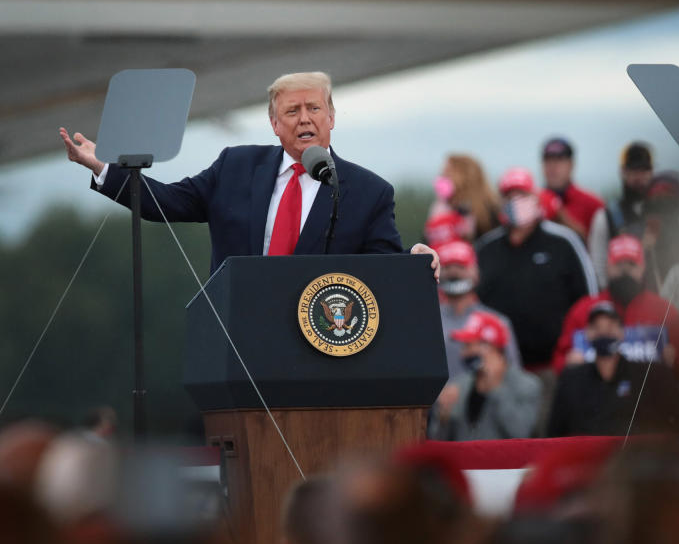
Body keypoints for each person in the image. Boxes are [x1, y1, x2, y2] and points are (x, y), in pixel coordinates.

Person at [60, 71, 439, 277]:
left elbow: (382, 269)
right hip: (238, 340)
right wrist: (103, 168)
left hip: (323, 349)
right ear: (275, 123)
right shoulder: (236, 167)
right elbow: (167, 203)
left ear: (332, 117)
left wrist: (414, 260)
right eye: (292, 111)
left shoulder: (369, 191)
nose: (304, 118)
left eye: (314, 108)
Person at [475, 166, 597, 375]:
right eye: (509, 196)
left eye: (521, 194)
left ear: (535, 197)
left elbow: (588, 300)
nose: (515, 201)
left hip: (551, 366)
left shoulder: (563, 242)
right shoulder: (486, 248)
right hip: (498, 369)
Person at [552, 235, 679, 379]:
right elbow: (559, 360)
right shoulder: (583, 310)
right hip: (597, 396)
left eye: (632, 265)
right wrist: (569, 364)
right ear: (608, 267)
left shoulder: (664, 310)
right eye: (618, 265)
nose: (625, 272)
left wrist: (675, 359)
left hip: (649, 397)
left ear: (642, 268)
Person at [547, 301, 679, 437]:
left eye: (611, 325)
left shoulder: (651, 374)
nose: (604, 332)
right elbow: (553, 434)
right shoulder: (571, 380)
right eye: (597, 327)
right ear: (587, 334)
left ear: (622, 332)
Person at [430, 311, 541, 441]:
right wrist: (443, 418)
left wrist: (496, 388)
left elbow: (521, 433)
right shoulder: (459, 385)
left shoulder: (526, 384)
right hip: (464, 460)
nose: (463, 353)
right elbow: (438, 441)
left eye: (468, 346)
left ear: (490, 347)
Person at [435, 239, 521, 382]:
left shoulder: (497, 322)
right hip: (436, 402)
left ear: (476, 271)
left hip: (484, 401)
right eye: (447, 267)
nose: (454, 273)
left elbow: (514, 374)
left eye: (461, 267)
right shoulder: (426, 321)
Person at [588, 142, 654, 288]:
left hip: (659, 302)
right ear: (623, 172)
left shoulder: (664, 213)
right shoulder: (606, 216)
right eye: (634, 170)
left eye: (644, 170)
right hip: (620, 299)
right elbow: (598, 265)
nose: (639, 176)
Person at [539, 137, 606, 242]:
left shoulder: (593, 204)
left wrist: (561, 218)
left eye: (559, 160)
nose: (552, 166)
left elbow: (597, 248)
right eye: (548, 160)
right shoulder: (533, 202)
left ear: (571, 165)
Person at [428, 154, 500, 240]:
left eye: (447, 174)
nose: (441, 179)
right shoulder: (442, 209)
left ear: (465, 178)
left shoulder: (489, 213)